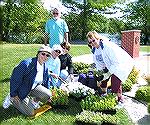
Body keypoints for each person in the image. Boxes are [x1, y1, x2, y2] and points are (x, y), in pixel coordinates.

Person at [86, 31, 134, 103]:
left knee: (115, 82)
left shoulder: (108, 46)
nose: (92, 43)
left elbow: (116, 63)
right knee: (102, 79)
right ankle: (104, 94)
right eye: (90, 42)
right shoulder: (95, 50)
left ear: (98, 38)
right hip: (110, 65)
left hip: (120, 65)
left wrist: (108, 74)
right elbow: (99, 64)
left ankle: (120, 100)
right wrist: (101, 74)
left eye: (93, 40)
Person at [9, 45, 52, 116]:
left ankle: (32, 101)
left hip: (32, 87)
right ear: (38, 53)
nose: (45, 57)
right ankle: (12, 99)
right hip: (21, 90)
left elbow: (46, 81)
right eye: (43, 54)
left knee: (48, 94)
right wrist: (14, 94)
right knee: (31, 113)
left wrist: (48, 97)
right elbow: (15, 79)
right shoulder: (26, 64)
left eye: (47, 55)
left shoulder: (45, 67)